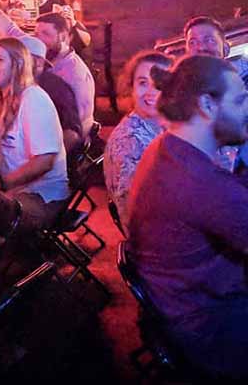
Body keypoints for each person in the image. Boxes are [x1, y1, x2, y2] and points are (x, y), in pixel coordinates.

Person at [128, 55, 248, 380]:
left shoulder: (167, 149)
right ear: (207, 105)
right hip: (208, 327)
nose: (247, 110)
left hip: (176, 308)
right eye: (240, 100)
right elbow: (224, 202)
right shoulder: (200, 182)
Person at [0, 0, 96, 139]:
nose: (39, 38)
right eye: (36, 33)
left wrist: (44, 160)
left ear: (64, 37)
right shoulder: (37, 50)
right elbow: (3, 23)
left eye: (46, 34)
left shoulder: (74, 75)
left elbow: (78, 129)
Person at [0, 38, 68, 233]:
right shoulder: (6, 98)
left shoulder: (33, 99)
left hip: (43, 199)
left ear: (18, 64)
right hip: (20, 191)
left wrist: (2, 185)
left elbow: (44, 161)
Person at [104, 51, 172, 226]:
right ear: (131, 88)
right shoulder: (130, 140)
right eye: (143, 83)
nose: (151, 92)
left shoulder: (161, 124)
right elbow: (136, 214)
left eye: (160, 84)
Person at [20, 35, 83, 152]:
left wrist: (47, 159)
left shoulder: (55, 88)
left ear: (38, 63)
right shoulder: (15, 84)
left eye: (20, 59)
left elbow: (72, 134)